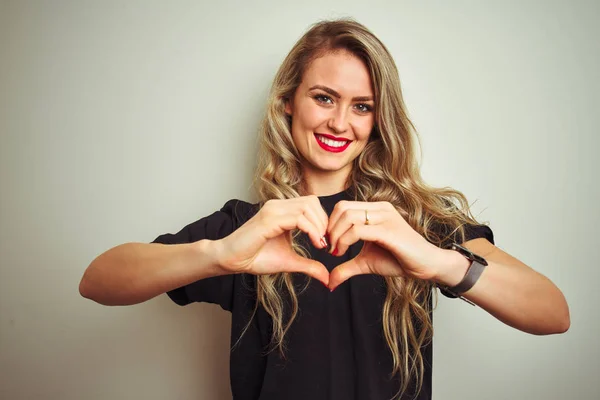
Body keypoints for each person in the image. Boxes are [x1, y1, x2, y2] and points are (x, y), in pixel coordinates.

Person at [79, 18, 570, 400]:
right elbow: (98, 281)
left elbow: (552, 312)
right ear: (289, 101)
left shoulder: (421, 223)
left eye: (362, 106)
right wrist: (220, 254)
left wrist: (438, 261)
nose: (340, 122)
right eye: (323, 97)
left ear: (380, 120)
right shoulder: (246, 227)